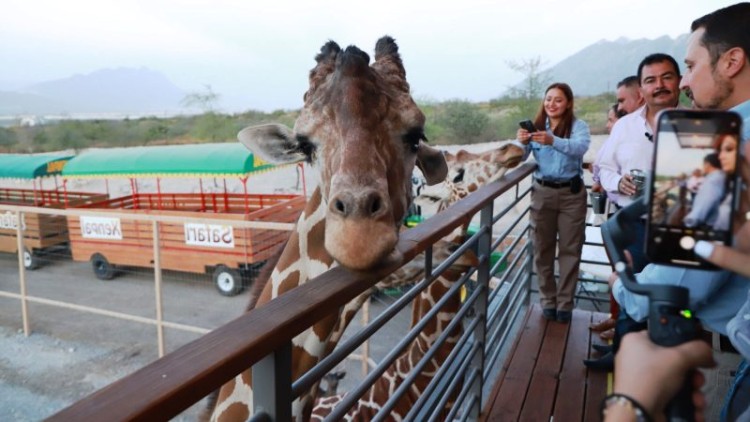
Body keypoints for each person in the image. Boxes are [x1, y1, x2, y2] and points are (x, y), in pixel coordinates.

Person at [610, 3, 750, 418]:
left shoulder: (706, 144)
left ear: (732, 61)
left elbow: (676, 284)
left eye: (690, 65)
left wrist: (623, 284)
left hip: (723, 362)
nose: (685, 81)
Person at [516, 82, 590, 324]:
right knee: (542, 248)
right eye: (548, 99)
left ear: (568, 103)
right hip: (542, 192)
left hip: (572, 194)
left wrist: (552, 140)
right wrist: (521, 142)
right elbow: (520, 157)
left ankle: (565, 304)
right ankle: (548, 300)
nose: (552, 104)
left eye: (558, 100)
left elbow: (580, 148)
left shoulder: (579, 127)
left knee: (570, 250)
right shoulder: (537, 128)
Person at [683, 153, 726, 228]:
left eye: (703, 164)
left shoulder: (712, 181)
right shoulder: (721, 177)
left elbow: (703, 206)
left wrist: (689, 223)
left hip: (708, 226)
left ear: (708, 164)